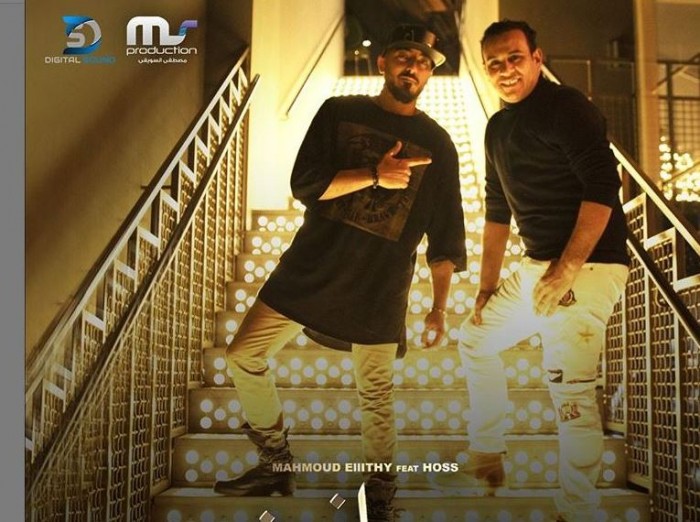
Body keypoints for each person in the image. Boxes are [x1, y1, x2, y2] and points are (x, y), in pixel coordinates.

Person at [213, 24, 466, 521]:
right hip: (312, 265)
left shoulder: (438, 143)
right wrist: (375, 175)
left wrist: (439, 307)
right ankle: (274, 461)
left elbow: (447, 234)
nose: (413, 66)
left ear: (429, 74)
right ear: (382, 63)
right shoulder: (338, 111)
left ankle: (380, 494)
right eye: (404, 56)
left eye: (423, 61)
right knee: (243, 354)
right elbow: (306, 184)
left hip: (379, 284)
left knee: (376, 395)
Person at [435, 20, 630, 522]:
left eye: (515, 58)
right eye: (494, 63)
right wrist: (485, 288)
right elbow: (496, 209)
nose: (505, 70)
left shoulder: (567, 107)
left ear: (537, 58)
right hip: (537, 267)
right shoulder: (497, 128)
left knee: (569, 390)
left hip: (588, 266)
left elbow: (602, 187)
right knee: (475, 339)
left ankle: (577, 509)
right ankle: (486, 454)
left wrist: (567, 269)